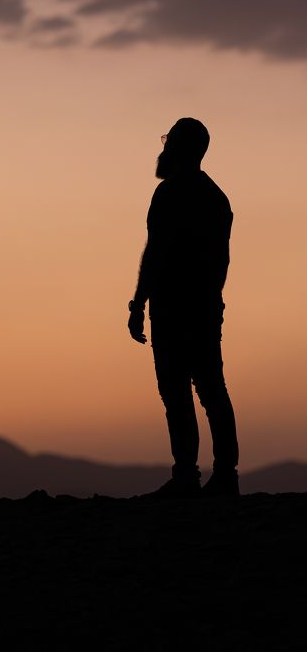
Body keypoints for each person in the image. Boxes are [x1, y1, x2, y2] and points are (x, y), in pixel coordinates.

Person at [128, 118, 239, 497]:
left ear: (179, 148)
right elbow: (221, 263)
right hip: (206, 306)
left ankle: (187, 477)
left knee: (177, 393)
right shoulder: (217, 198)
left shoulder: (170, 193)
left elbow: (155, 252)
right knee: (211, 390)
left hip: (174, 308)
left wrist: (137, 303)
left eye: (168, 141)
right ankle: (224, 476)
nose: (163, 147)